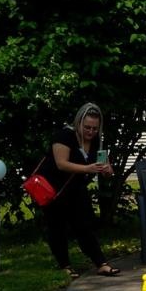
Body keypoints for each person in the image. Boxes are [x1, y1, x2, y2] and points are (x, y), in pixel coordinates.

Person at [35, 102, 120, 278]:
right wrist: (88, 169)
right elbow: (61, 164)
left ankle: (101, 263)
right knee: (57, 227)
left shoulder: (96, 140)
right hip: (53, 188)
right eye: (87, 127)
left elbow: (103, 163)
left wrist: (107, 170)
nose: (90, 132)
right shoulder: (64, 136)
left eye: (95, 128)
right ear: (78, 123)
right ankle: (65, 265)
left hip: (76, 188)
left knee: (84, 225)